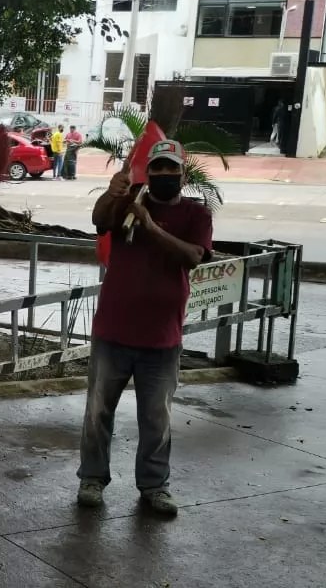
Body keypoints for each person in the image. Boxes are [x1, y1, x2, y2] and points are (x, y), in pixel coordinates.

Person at [76, 139, 213, 516]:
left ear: (183, 174)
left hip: (162, 338)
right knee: (98, 412)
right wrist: (112, 192)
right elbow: (100, 219)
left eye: (172, 170)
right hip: (113, 333)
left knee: (156, 418)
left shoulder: (195, 214)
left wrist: (151, 227)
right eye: (158, 169)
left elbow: (193, 256)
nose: (165, 176)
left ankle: (154, 486)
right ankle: (92, 478)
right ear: (147, 172)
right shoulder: (131, 203)